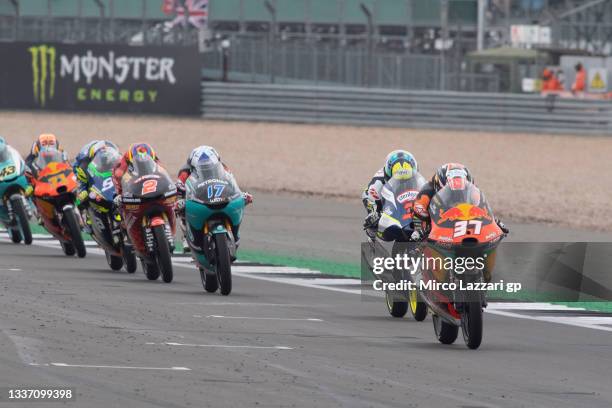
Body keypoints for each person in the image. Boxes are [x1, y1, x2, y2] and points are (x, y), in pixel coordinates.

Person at [175, 145, 252, 252]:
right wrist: (179, 202)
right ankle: (186, 236)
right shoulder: (185, 172)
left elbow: (231, 182)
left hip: (218, 197)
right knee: (181, 211)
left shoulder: (223, 168)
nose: (207, 169)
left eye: (209, 166)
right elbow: (178, 189)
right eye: (203, 167)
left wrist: (241, 194)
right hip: (195, 199)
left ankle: (233, 236)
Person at [362, 150, 419, 237]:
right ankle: (373, 244)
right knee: (372, 226)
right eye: (399, 181)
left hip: (408, 207)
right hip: (386, 207)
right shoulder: (376, 186)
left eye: (406, 180)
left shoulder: (417, 179)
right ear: (388, 176)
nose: (402, 184)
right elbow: (368, 197)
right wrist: (373, 214)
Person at [73, 140, 121, 233]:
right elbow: (79, 182)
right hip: (83, 173)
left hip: (108, 175)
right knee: (83, 195)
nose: (106, 160)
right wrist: (82, 190)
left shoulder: (116, 156)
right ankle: (86, 216)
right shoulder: (84, 163)